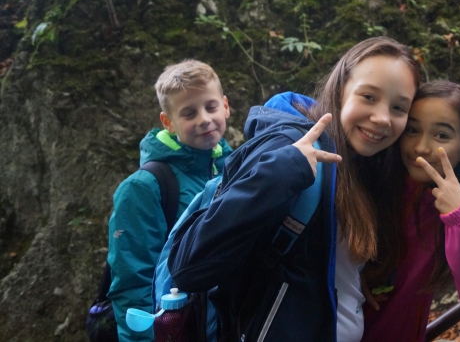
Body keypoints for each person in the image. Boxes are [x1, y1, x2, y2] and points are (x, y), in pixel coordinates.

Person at [168, 37, 419, 342]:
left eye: (398, 107)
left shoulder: (362, 165)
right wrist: (283, 171)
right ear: (340, 91)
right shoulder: (289, 147)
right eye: (368, 96)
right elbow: (188, 267)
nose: (381, 118)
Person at [360, 80, 460, 342]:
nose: (421, 147)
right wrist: (348, 279)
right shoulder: (368, 181)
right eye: (412, 130)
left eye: (441, 135)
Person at [107, 60, 233, 342]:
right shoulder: (144, 187)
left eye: (210, 106)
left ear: (225, 106)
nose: (204, 119)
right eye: (189, 113)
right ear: (168, 122)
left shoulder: (234, 169)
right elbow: (132, 283)